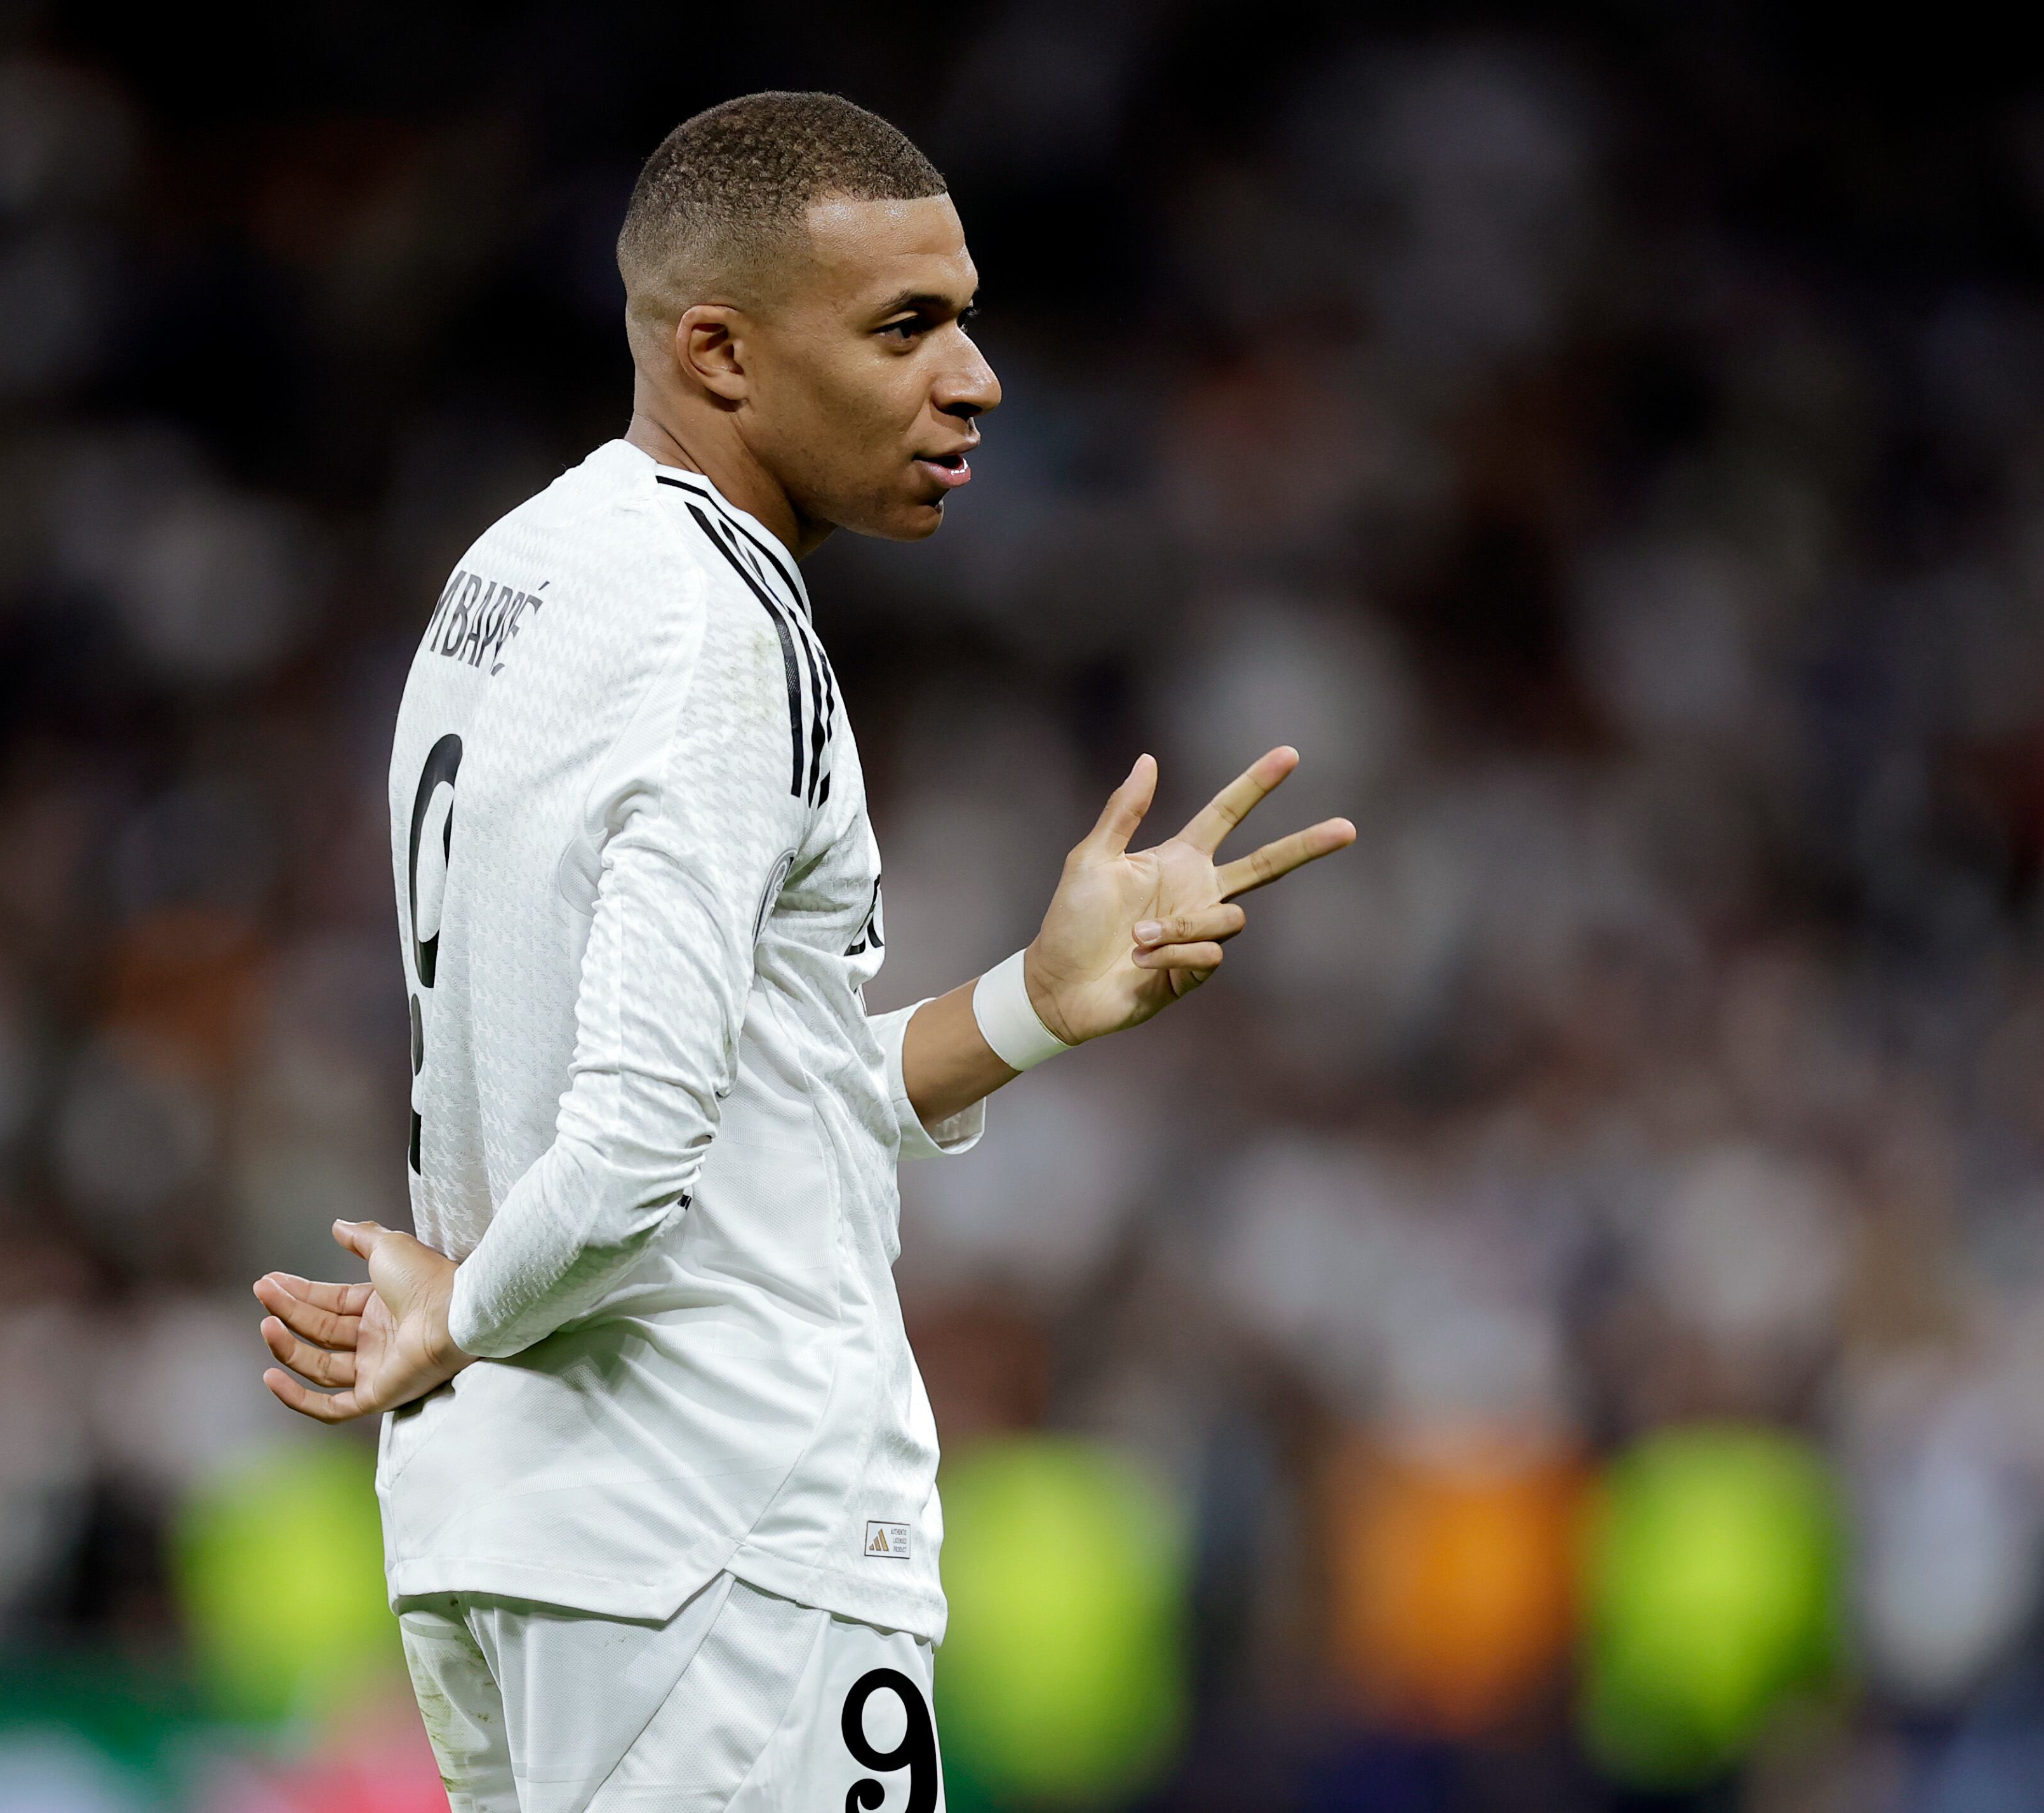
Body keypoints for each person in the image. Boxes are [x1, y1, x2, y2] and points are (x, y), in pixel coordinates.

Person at [248, 91, 1353, 1812]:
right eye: (904, 327)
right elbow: (627, 1154)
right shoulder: (717, 632)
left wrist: (1030, 1010)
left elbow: (742, 1092)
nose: (974, 378)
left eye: (966, 317)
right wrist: (458, 1315)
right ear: (719, 351)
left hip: (522, 1540)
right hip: (728, 1555)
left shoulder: (520, 571)